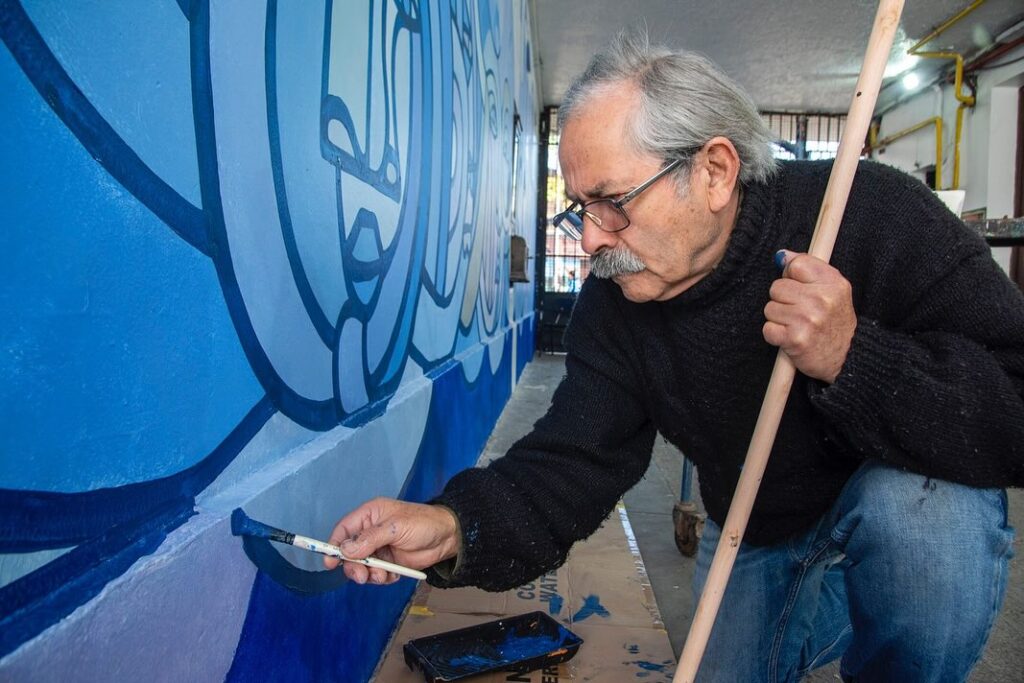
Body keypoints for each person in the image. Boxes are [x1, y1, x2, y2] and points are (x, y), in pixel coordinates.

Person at [325, 31, 1023, 682]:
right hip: (757, 524)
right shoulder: (619, 301)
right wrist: (453, 526)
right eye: (579, 207)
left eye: (612, 202)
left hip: (897, 499)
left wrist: (853, 356)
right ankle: (832, 601)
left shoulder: (871, 213)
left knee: (926, 520)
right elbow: (572, 461)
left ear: (714, 171)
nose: (591, 240)